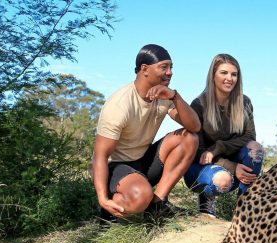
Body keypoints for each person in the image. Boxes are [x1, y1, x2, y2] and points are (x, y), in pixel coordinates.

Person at [92, 44, 201, 226]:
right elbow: (100, 156)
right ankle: (108, 214)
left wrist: (175, 97)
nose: (169, 72)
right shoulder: (119, 105)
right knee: (140, 195)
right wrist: (102, 198)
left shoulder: (164, 95)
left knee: (190, 138)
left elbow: (194, 126)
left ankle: (157, 205)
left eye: (171, 67)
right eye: (163, 67)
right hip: (117, 166)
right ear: (144, 69)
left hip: (143, 160)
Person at [184, 54, 264, 218]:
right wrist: (233, 167)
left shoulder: (244, 102)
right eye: (224, 73)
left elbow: (250, 136)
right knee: (222, 179)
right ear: (213, 75)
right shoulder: (199, 104)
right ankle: (206, 204)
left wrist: (218, 147)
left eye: (234, 74)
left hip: (234, 166)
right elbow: (199, 152)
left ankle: (244, 209)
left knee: (256, 150)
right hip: (201, 168)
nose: (230, 78)